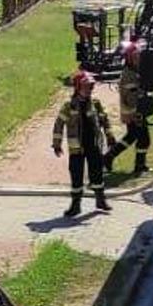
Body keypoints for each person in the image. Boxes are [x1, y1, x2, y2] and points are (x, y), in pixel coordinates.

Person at [52, 70, 116, 217]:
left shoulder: (95, 104)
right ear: (78, 87)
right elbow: (59, 124)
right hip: (77, 148)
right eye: (86, 86)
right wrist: (56, 143)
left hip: (93, 144)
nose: (89, 90)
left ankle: (100, 200)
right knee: (76, 175)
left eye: (91, 87)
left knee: (97, 173)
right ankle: (75, 205)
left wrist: (110, 136)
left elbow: (104, 120)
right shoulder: (69, 106)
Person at [106, 33, 153, 175]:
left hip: (136, 112)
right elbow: (131, 98)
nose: (139, 58)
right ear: (129, 58)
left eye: (139, 56)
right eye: (136, 56)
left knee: (132, 137)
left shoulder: (134, 72)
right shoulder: (129, 75)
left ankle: (109, 157)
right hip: (134, 112)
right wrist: (140, 105)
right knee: (143, 139)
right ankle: (137, 165)